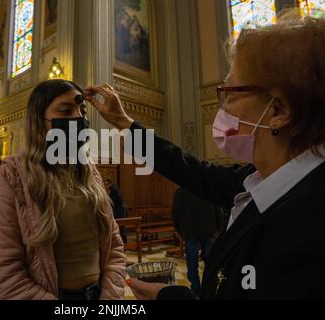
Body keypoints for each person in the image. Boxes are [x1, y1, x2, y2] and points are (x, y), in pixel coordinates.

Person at [85, 10, 325, 299]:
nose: (224, 107)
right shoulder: (260, 179)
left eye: (231, 92)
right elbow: (191, 170)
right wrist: (124, 123)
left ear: (278, 111)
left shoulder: (308, 228)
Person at [0, 79, 126, 300]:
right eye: (66, 110)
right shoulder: (9, 178)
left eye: (82, 110)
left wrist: (109, 298)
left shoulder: (90, 173)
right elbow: (5, 273)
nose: (78, 117)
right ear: (40, 122)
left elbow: (114, 245)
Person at [172, 188, 223, 298]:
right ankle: (210, 287)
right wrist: (219, 227)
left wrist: (179, 230)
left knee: (192, 263)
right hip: (209, 227)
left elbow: (176, 212)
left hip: (190, 230)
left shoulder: (181, 190)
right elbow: (217, 208)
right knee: (210, 261)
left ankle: (196, 290)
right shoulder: (208, 187)